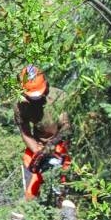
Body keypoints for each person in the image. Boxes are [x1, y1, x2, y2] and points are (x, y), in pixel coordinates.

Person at [14, 65, 72, 202]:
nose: (36, 99)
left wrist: (51, 147)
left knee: (62, 180)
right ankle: (31, 208)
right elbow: (25, 132)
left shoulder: (58, 97)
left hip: (60, 143)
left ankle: (61, 206)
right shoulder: (20, 104)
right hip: (38, 144)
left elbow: (66, 127)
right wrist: (38, 152)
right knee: (30, 178)